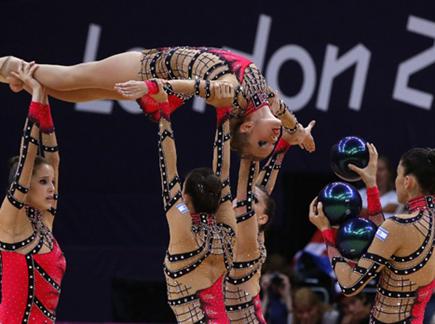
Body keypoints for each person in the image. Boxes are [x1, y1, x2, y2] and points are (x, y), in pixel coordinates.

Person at [0, 47, 315, 160]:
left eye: (263, 142)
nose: (274, 140)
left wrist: (152, 85)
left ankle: (20, 75)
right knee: (72, 81)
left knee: (77, 90)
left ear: (247, 127)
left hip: (152, 73)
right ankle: (10, 66)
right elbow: (283, 111)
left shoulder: (235, 97)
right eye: (269, 144)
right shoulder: (262, 99)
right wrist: (298, 133)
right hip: (146, 70)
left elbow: (196, 85)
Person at [309, 144, 435, 323]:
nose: (397, 180)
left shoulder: (399, 226)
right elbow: (389, 238)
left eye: (398, 174)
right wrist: (371, 185)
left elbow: (349, 284)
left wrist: (326, 232)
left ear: (408, 182)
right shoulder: (415, 225)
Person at [149, 82, 236, 322]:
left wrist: (164, 113)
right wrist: (223, 111)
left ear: (185, 198)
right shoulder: (228, 236)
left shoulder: (184, 235)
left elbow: (169, 171)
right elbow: (225, 173)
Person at [224, 122, 315, 322]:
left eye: (251, 201)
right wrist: (284, 145)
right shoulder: (240, 224)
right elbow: (260, 187)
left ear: (262, 218)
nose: (243, 199)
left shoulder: (251, 238)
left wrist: (252, 140)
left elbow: (248, 181)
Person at [0, 62, 66, 322]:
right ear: (24, 187)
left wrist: (45, 99)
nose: (52, 189)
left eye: (51, 182)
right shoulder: (10, 222)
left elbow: (54, 159)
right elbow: (28, 157)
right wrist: (36, 95)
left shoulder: (44, 222)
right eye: (43, 183)